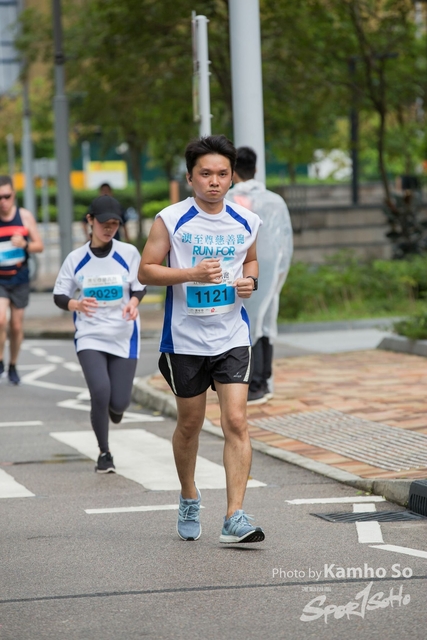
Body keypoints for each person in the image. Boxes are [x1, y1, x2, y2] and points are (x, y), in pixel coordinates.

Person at [138, 135, 265, 544]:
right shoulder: (171, 219)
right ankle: (189, 495)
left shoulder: (246, 220)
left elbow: (250, 260)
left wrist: (250, 282)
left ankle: (234, 516)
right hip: (185, 340)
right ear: (190, 177)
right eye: (205, 174)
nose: (214, 182)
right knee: (190, 424)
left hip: (232, 335)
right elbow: (146, 270)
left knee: (236, 421)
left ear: (232, 177)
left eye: (222, 174)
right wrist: (190, 274)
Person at [54, 195, 146, 473]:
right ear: (90, 221)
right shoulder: (76, 259)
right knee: (100, 391)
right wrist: (76, 304)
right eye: (104, 222)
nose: (109, 228)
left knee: (119, 402)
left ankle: (115, 409)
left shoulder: (128, 253)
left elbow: (140, 286)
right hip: (90, 334)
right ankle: (104, 453)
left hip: (123, 333)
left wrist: (133, 303)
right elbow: (60, 295)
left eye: (115, 223)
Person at [227, 147, 293, 404]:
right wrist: (279, 274)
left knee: (246, 322)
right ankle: (262, 381)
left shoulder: (228, 200)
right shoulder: (275, 201)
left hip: (240, 270)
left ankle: (252, 383)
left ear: (233, 171)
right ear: (255, 169)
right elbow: (286, 243)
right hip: (270, 268)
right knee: (264, 321)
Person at [0, 175, 44, 385]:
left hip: (19, 277)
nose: (3, 201)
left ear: (14, 195)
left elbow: (39, 246)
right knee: (0, 320)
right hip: (0, 278)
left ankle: (13, 364)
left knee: (16, 326)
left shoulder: (24, 217)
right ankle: (0, 360)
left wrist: (25, 244)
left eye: (7, 196)